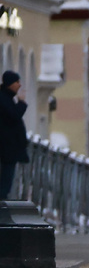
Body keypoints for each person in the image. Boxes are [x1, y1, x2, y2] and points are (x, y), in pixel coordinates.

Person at [0, 70, 30, 200]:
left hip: (8, 148)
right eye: (17, 82)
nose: (19, 85)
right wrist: (22, 103)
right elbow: (14, 116)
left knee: (7, 177)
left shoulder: (7, 98)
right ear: (9, 84)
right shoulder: (4, 99)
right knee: (6, 178)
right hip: (6, 148)